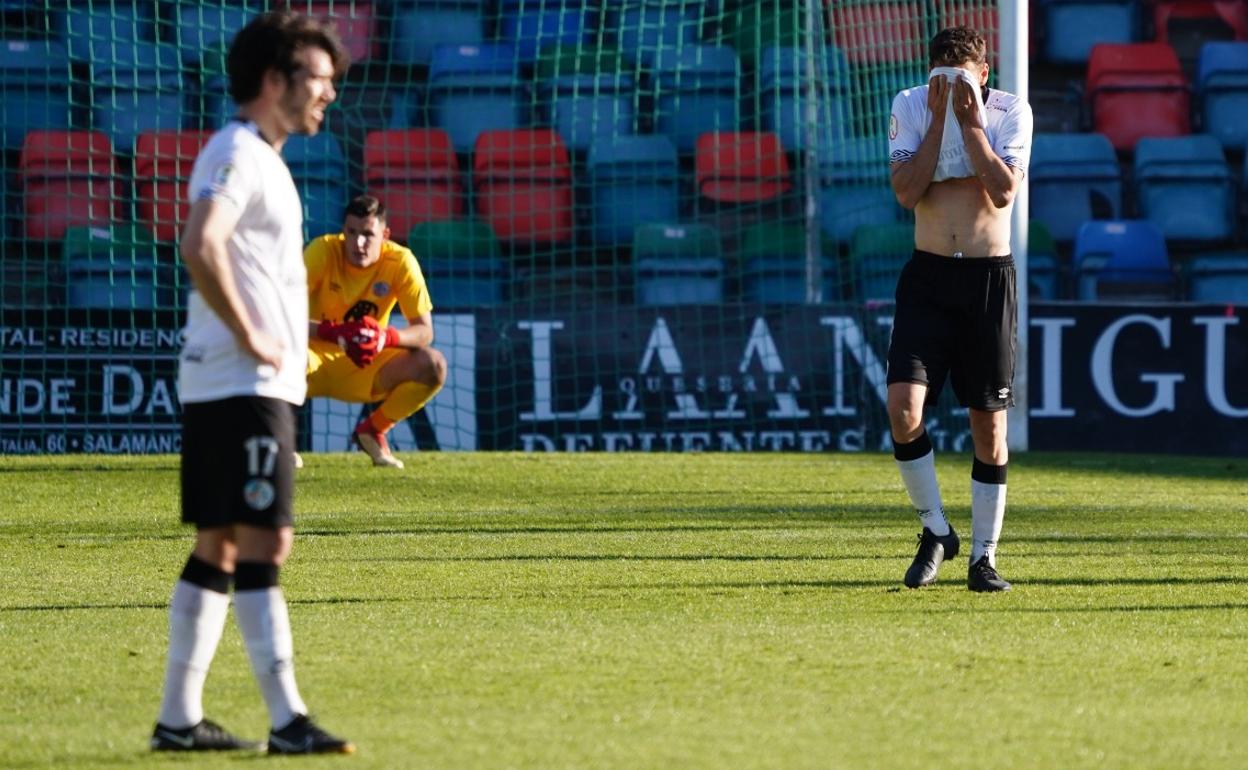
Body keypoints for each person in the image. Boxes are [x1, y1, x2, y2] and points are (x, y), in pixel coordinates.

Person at [153, 11, 355, 754]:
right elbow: (199, 241)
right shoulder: (238, 151)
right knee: (268, 541)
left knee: (221, 545)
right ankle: (288, 721)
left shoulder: (258, 155)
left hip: (235, 382)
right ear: (276, 81)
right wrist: (253, 336)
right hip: (243, 382)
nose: (328, 95)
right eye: (319, 80)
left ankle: (178, 720)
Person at [885, 26, 1033, 592]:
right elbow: (905, 191)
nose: (948, 85)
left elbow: (1002, 191)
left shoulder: (1009, 112)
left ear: (983, 74)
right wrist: (939, 121)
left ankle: (983, 557)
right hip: (927, 276)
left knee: (988, 429)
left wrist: (969, 126)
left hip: (987, 280)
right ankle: (935, 530)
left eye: (961, 75)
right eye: (939, 75)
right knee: (903, 407)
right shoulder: (910, 106)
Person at [304, 194, 447, 468]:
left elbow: (424, 332)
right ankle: (278, 442)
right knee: (274, 346)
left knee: (433, 365)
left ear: (385, 234)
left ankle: (372, 430)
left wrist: (386, 337)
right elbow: (281, 316)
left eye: (368, 234)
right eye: (351, 232)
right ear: (342, 230)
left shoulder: (401, 262)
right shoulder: (322, 251)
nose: (358, 243)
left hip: (366, 365)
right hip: (310, 359)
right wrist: (331, 332)